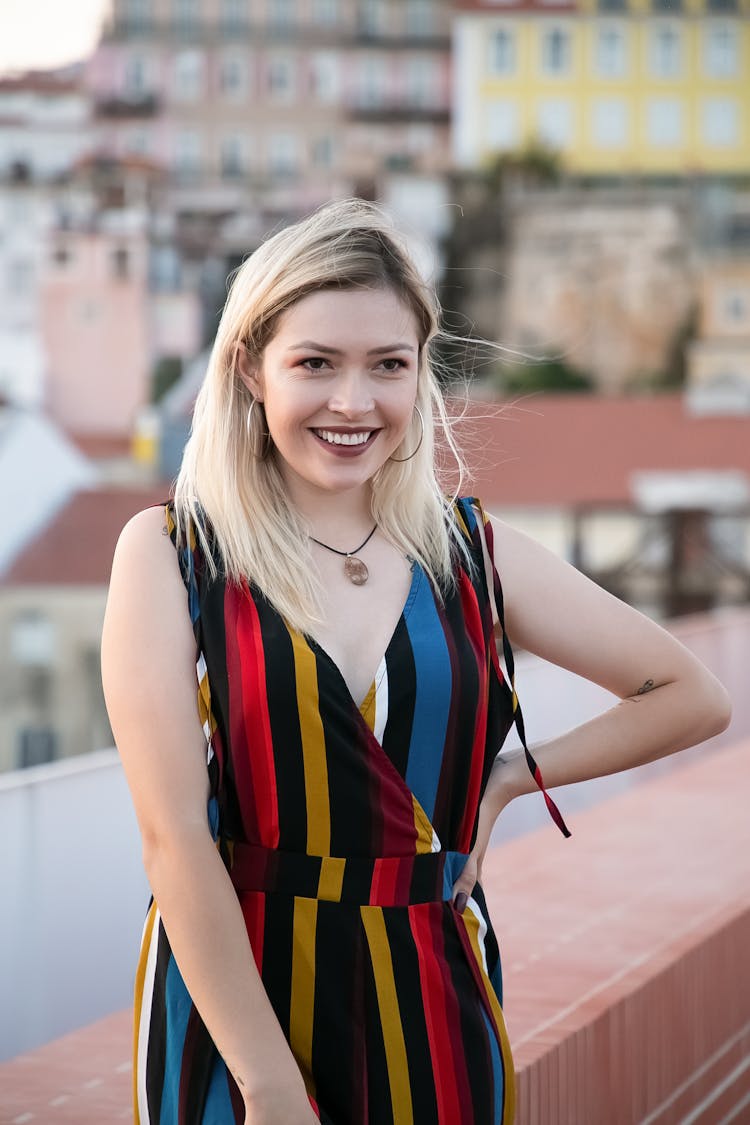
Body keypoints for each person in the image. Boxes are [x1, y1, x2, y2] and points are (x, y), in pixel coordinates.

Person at [101, 199, 731, 1125]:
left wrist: (513, 777)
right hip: (238, 1000)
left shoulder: (473, 552)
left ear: (420, 374)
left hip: (436, 985)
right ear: (250, 368)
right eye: (315, 362)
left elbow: (691, 694)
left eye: (388, 366)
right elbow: (173, 843)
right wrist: (269, 1084)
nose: (354, 403)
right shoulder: (171, 553)